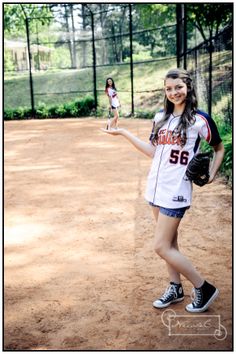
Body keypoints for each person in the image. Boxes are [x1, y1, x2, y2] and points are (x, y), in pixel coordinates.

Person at [102, 68, 225, 313]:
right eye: (168, 89)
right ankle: (175, 287)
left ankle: (204, 287)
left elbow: (219, 148)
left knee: (160, 246)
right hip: (155, 188)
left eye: (178, 87)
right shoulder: (160, 118)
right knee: (170, 244)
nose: (173, 92)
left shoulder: (200, 120)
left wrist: (211, 174)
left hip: (177, 190)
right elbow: (152, 151)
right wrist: (124, 133)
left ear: (188, 87)